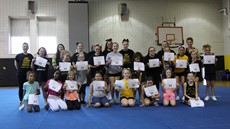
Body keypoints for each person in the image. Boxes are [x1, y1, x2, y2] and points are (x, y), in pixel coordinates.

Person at [14, 42, 34, 107]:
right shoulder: (18, 56)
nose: (25, 47)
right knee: (21, 88)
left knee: (28, 88)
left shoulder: (30, 56)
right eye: (24, 46)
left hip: (28, 75)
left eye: (26, 46)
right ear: (22, 47)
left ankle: (27, 100)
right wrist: (19, 70)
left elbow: (32, 66)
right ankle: (21, 101)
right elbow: (16, 64)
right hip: (20, 74)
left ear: (28, 47)